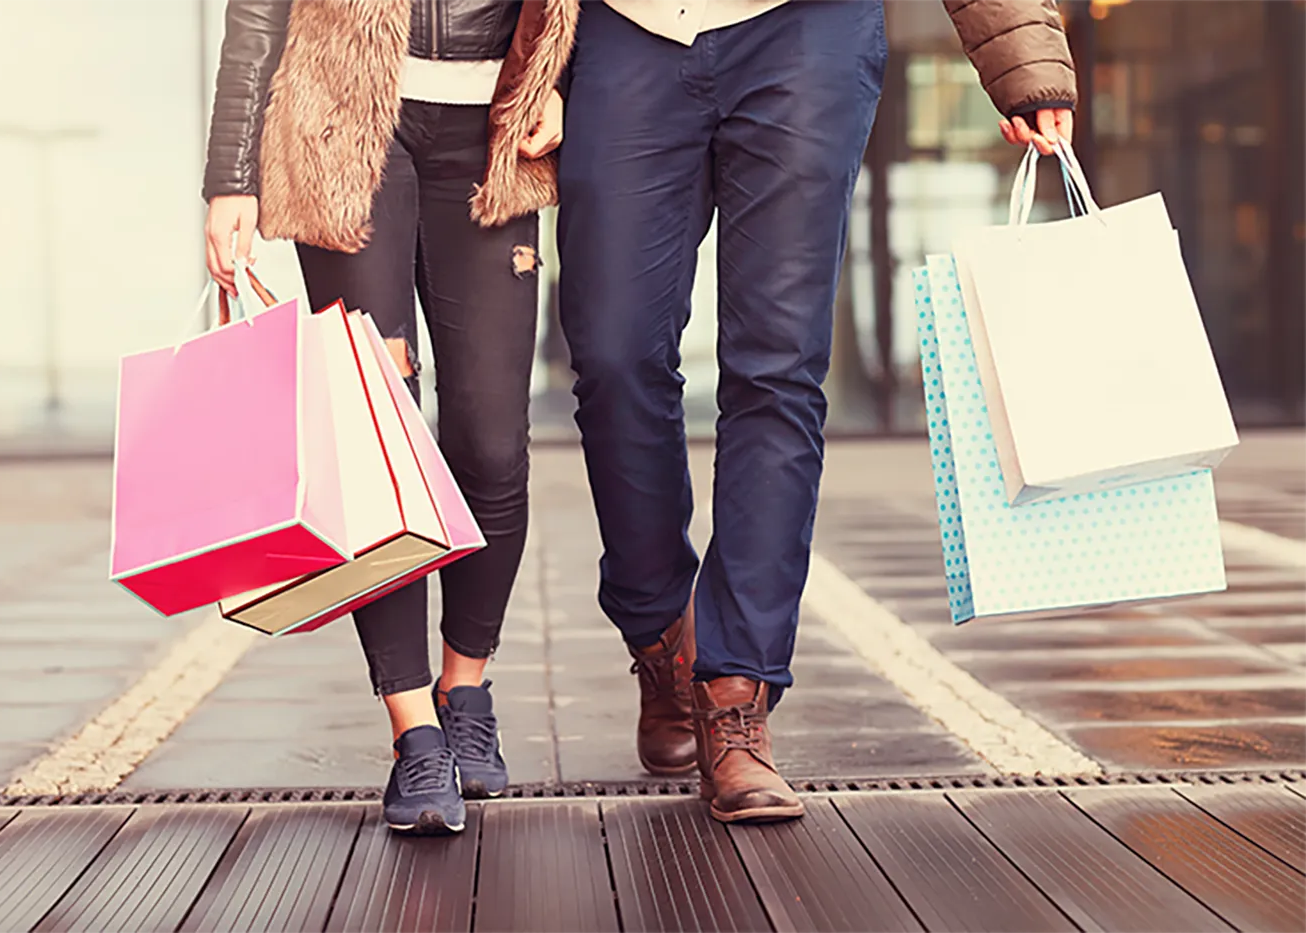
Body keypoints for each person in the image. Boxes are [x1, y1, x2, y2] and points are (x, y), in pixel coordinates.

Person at [555, 0, 1076, 823]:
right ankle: (661, 628)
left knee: (777, 368)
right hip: (631, 29)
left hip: (805, 32)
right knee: (613, 354)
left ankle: (735, 697)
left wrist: (1025, 61)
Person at [201, 0, 576, 834]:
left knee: (489, 443)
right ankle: (415, 728)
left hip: (496, 132)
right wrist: (231, 172)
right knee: (377, 440)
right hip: (345, 121)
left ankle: (466, 683)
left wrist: (565, 86)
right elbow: (258, 12)